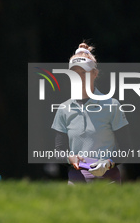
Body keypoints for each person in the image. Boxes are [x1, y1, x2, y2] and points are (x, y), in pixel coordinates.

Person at [51, 42, 131, 184]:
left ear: (95, 73)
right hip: (77, 180)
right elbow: (58, 150)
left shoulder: (112, 105)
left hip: (108, 181)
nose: (79, 77)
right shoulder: (63, 109)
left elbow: (126, 148)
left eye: (84, 72)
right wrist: (69, 158)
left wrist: (109, 162)